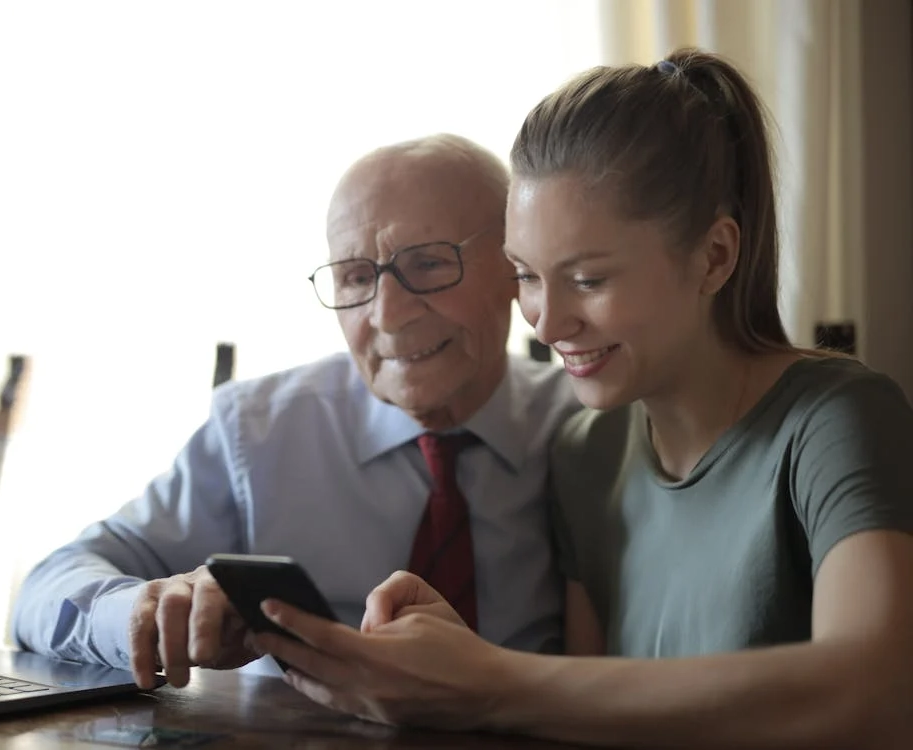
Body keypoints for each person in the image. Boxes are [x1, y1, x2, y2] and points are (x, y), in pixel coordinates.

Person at [249, 48, 913, 747]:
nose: (544, 321)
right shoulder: (585, 452)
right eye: (526, 276)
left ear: (714, 257)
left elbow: (877, 693)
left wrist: (484, 679)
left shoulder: (836, 419)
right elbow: (585, 717)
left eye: (587, 280)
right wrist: (450, 658)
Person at [11, 134, 581, 690]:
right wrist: (144, 610)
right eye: (357, 277)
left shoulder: (587, 432)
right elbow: (46, 590)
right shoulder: (259, 433)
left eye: (429, 265)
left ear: (516, 268)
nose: (388, 315)